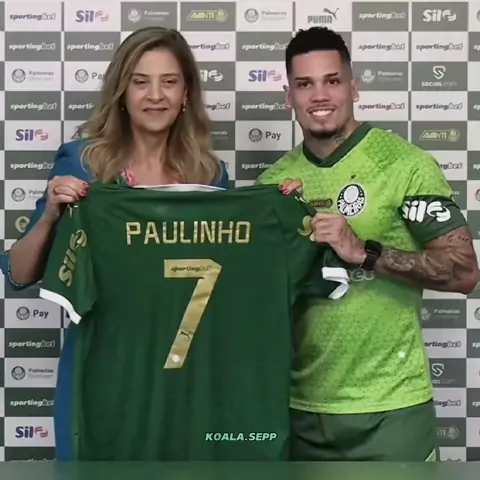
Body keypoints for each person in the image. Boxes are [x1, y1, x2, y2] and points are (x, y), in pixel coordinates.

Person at [0, 26, 229, 460]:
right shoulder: (83, 162)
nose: (155, 95)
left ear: (186, 93)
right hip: (101, 370)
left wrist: (284, 214)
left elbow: (233, 276)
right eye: (141, 81)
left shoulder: (210, 175)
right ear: (122, 91)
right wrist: (50, 216)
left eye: (169, 81)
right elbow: (20, 273)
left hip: (183, 376)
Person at [256, 26, 479, 462]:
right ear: (289, 97)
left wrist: (365, 252)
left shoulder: (404, 165)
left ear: (353, 88)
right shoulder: (273, 184)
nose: (320, 96)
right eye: (305, 84)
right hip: (300, 411)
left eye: (332, 81)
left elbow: (464, 271)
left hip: (391, 412)